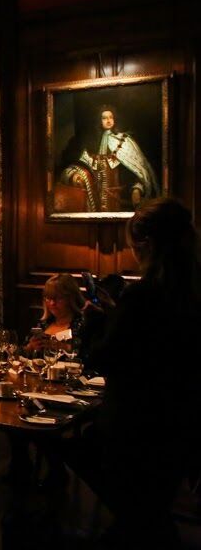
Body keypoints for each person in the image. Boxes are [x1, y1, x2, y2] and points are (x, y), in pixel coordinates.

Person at [83, 198, 201, 547]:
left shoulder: (143, 296)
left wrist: (94, 323)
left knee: (137, 512)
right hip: (181, 423)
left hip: (134, 425)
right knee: (151, 507)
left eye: (133, 247)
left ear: (147, 245)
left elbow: (103, 358)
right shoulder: (190, 294)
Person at [61, 105, 159, 212]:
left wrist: (137, 189)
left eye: (111, 117)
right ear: (100, 121)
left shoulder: (124, 141)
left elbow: (136, 171)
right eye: (104, 118)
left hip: (120, 198)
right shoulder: (93, 143)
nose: (108, 120)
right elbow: (81, 163)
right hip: (98, 200)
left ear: (114, 119)